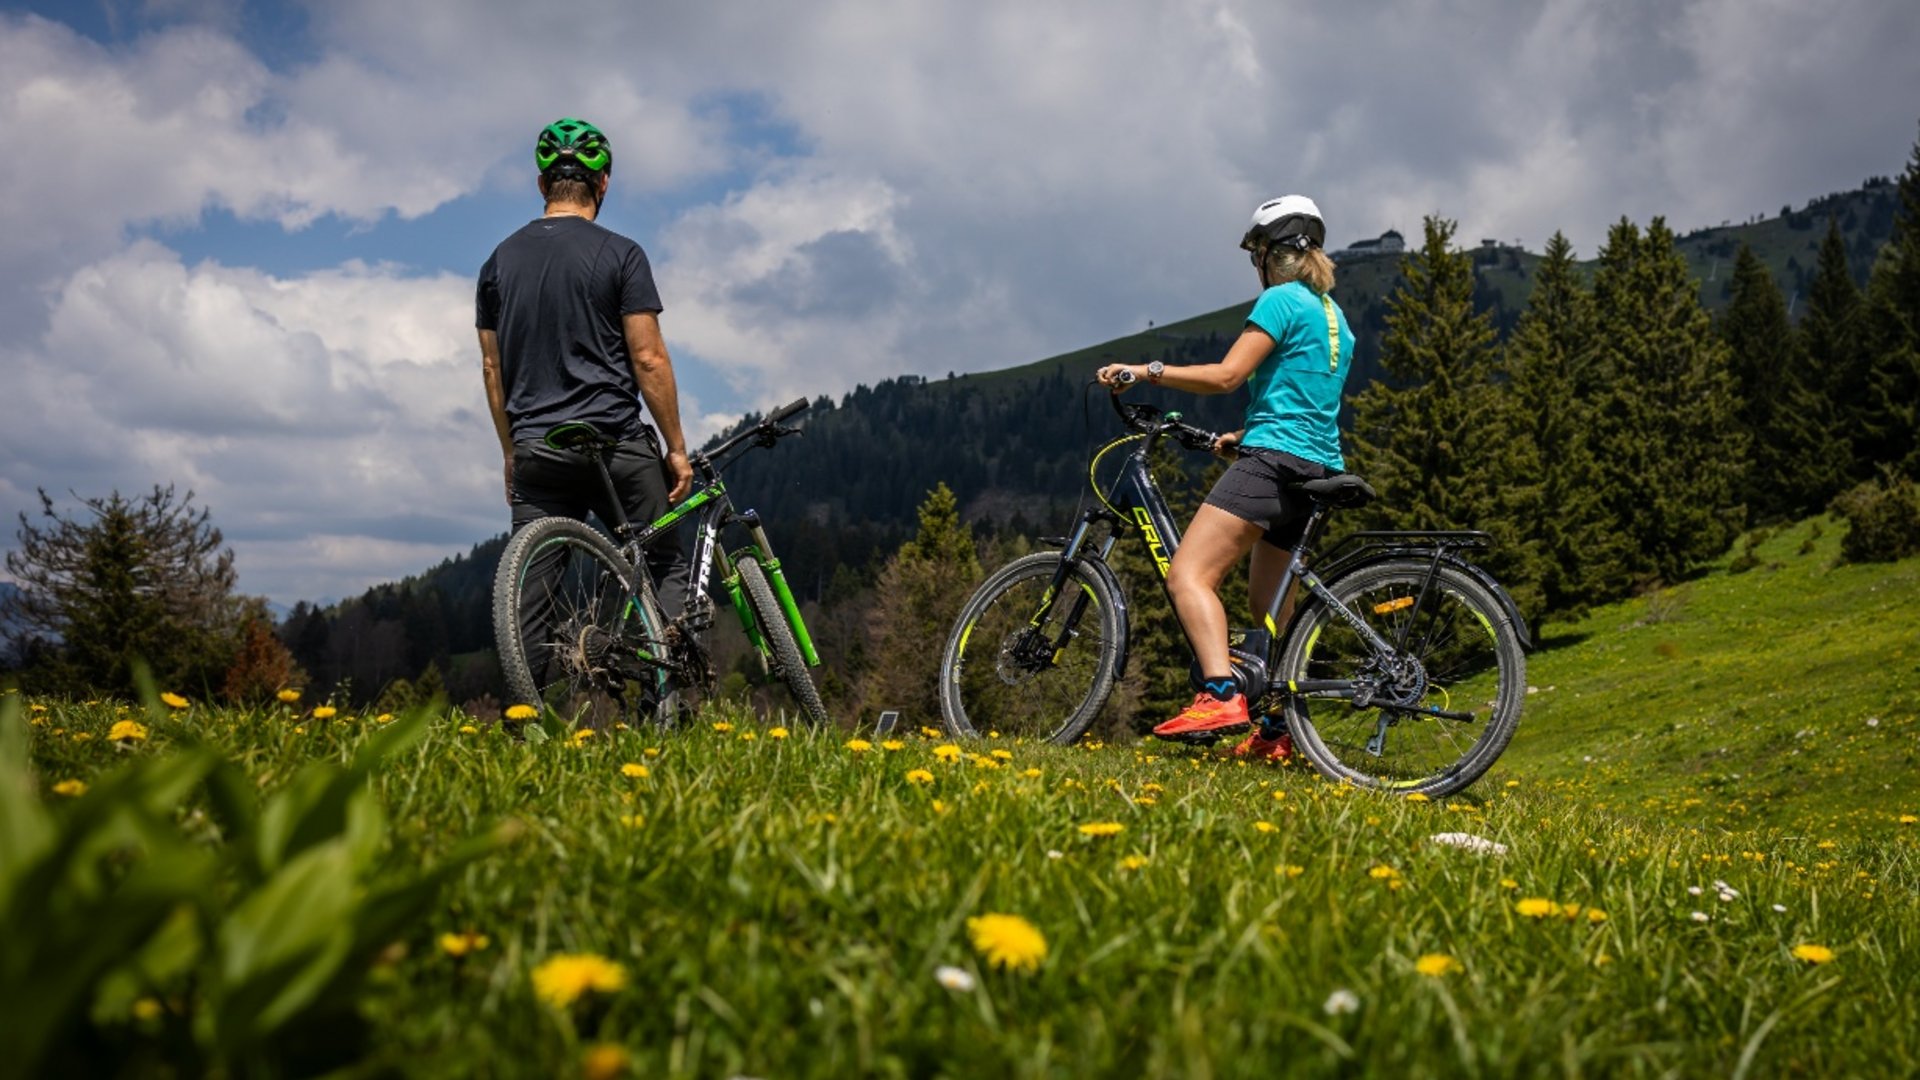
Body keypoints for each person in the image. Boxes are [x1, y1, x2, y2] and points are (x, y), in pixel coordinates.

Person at [1096, 194, 1354, 760]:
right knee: (1268, 611)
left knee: (1188, 576)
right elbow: (1304, 397)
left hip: (1274, 463)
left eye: (1257, 253)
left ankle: (1218, 693)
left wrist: (1147, 371)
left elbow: (1227, 376)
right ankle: (1278, 732)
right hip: (1313, 466)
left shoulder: (1282, 301)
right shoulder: (1332, 315)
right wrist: (1245, 434)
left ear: (1273, 254)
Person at [477, 117, 693, 621]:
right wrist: (677, 448)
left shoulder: (497, 263)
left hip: (537, 449)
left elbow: (493, 368)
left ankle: (529, 701)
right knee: (661, 563)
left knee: (532, 594)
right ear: (604, 183)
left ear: (540, 185)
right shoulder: (622, 254)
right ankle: (668, 698)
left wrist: (511, 452)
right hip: (615, 443)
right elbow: (648, 357)